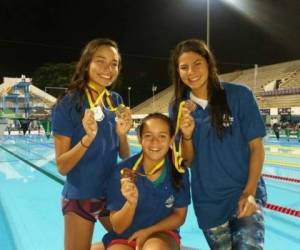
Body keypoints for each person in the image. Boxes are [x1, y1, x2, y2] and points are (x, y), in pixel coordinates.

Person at [169, 39, 267, 250]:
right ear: (178, 71)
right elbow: (186, 162)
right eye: (183, 67)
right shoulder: (178, 108)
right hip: (209, 204)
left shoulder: (239, 95)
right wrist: (186, 135)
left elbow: (256, 147)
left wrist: (249, 192)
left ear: (208, 63)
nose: (191, 71)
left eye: (197, 63)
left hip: (243, 194)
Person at [52, 38, 132, 250]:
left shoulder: (115, 101)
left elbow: (125, 154)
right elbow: (62, 166)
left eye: (114, 63)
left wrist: (122, 134)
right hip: (81, 197)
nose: (108, 69)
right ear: (87, 63)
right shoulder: (67, 104)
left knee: (133, 241)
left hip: (111, 194)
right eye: (100, 61)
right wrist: (87, 139)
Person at [99, 113, 191, 250]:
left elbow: (179, 216)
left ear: (171, 139)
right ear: (139, 138)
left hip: (162, 234)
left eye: (162, 136)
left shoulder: (178, 170)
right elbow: (118, 227)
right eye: (148, 136)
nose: (155, 142)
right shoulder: (122, 172)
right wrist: (130, 204)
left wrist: (148, 231)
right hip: (125, 236)